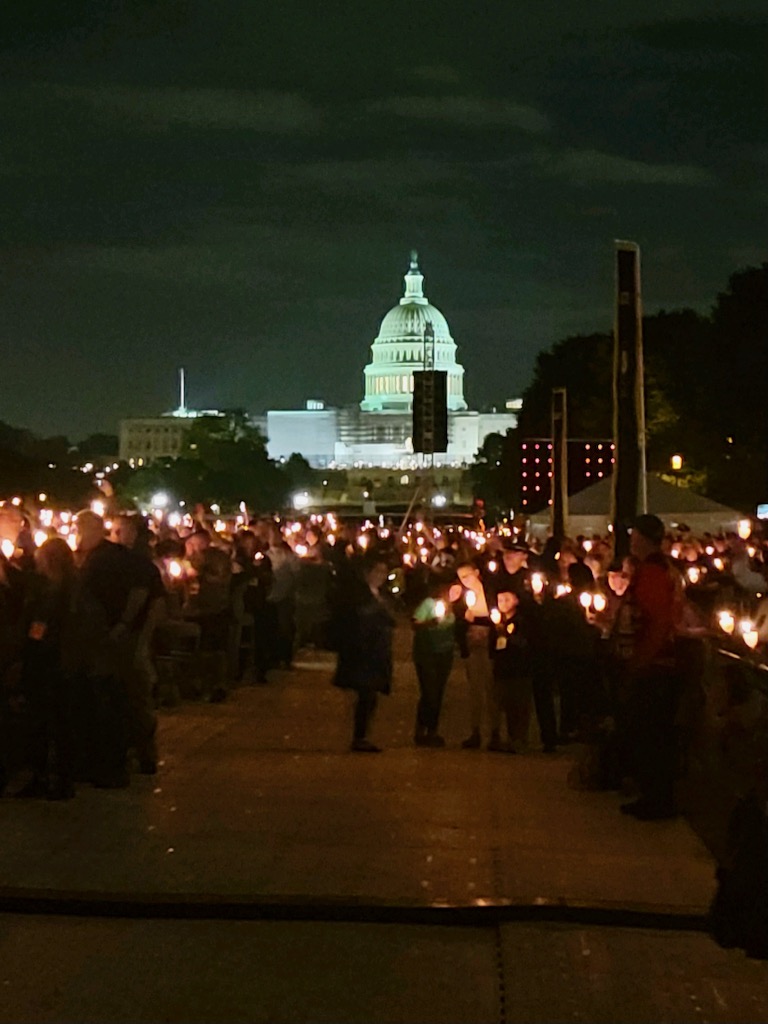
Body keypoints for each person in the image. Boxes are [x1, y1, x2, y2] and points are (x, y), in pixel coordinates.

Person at [619, 514, 684, 820]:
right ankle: (654, 795)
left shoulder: (653, 573)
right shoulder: (664, 569)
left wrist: (641, 660)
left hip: (654, 664)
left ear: (642, 538)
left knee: (651, 733)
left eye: (634, 535)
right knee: (653, 733)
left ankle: (656, 798)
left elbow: (657, 621)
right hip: (658, 661)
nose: (631, 541)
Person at [332, 550, 394, 752]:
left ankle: (363, 734)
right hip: (363, 652)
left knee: (371, 696)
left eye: (384, 572)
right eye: (377, 571)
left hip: (377, 652)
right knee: (365, 695)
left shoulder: (381, 595)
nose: (381, 576)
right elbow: (357, 619)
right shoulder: (359, 595)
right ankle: (359, 736)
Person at [455, 560, 499, 750]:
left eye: (467, 575)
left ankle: (495, 732)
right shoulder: (463, 596)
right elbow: (457, 622)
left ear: (476, 572)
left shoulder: (490, 592)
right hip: (472, 645)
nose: (465, 580)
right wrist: (465, 619)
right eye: (461, 578)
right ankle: (475, 731)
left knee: (492, 688)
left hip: (490, 644)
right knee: (475, 689)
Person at [489, 587, 535, 753]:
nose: (503, 603)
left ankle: (519, 740)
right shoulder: (498, 621)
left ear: (516, 601)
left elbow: (523, 643)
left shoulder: (520, 621)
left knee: (519, 706)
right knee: (504, 704)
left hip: (518, 669)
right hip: (502, 669)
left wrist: (507, 636)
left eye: (507, 599)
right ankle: (505, 737)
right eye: (500, 600)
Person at [411, 575, 455, 747]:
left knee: (438, 691)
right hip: (427, 653)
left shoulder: (452, 608)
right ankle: (422, 729)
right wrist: (430, 623)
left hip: (445, 653)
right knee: (429, 691)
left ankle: (432, 730)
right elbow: (415, 623)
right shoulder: (428, 604)